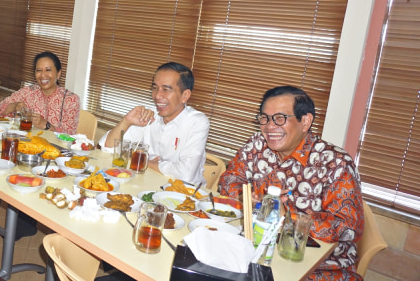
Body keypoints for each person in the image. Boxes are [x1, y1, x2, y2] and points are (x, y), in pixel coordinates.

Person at [219, 86, 364, 281]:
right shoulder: (257, 146)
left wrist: (288, 217)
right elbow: (229, 180)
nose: (269, 126)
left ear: (305, 121)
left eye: (280, 118)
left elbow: (347, 227)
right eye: (265, 118)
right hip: (255, 251)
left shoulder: (335, 164)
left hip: (318, 268)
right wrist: (248, 197)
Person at [99, 62, 210, 184]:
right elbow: (107, 148)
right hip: (148, 183)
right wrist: (127, 121)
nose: (157, 95)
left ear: (185, 95)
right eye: (155, 88)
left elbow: (185, 174)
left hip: (183, 193)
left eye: (166, 89)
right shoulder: (150, 116)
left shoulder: (197, 122)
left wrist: (146, 162)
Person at [0, 51, 80, 134]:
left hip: (53, 147)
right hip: (26, 142)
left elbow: (70, 136)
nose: (43, 75)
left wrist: (46, 125)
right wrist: (14, 106)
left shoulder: (70, 99)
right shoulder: (27, 92)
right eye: (39, 70)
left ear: (58, 73)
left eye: (48, 70)